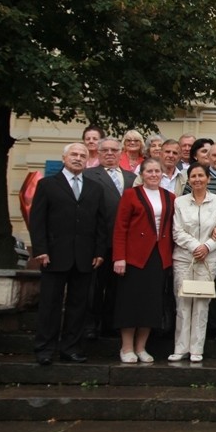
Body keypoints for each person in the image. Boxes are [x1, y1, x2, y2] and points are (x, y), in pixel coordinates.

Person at [30, 143, 106, 365]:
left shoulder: (94, 188)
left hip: (84, 257)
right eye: (74, 154)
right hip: (54, 255)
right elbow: (38, 220)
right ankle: (44, 349)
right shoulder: (47, 185)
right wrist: (41, 249)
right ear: (64, 158)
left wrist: (100, 251)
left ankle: (70, 348)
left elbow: (101, 223)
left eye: (82, 156)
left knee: (78, 306)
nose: (78, 158)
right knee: (50, 305)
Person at [111, 158, 175, 363]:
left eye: (157, 171)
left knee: (151, 303)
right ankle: (127, 347)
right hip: (134, 256)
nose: (154, 174)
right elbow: (120, 227)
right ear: (142, 174)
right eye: (150, 171)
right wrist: (119, 257)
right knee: (130, 302)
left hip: (159, 256)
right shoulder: (131, 195)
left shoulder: (170, 196)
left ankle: (141, 347)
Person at [169, 163, 216, 363]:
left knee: (202, 304)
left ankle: (196, 349)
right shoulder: (180, 202)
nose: (197, 179)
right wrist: (196, 246)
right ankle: (180, 348)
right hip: (184, 258)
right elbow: (177, 231)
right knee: (183, 303)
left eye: (201, 176)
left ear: (208, 179)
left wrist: (208, 246)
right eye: (193, 176)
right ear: (189, 180)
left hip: (208, 260)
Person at [82, 137, 137, 339]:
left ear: (120, 151)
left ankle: (110, 323)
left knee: (118, 287)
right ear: (98, 151)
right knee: (94, 287)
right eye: (105, 150)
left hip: (124, 244)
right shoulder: (88, 175)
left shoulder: (132, 178)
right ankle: (90, 325)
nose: (109, 154)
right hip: (99, 242)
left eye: (114, 150)